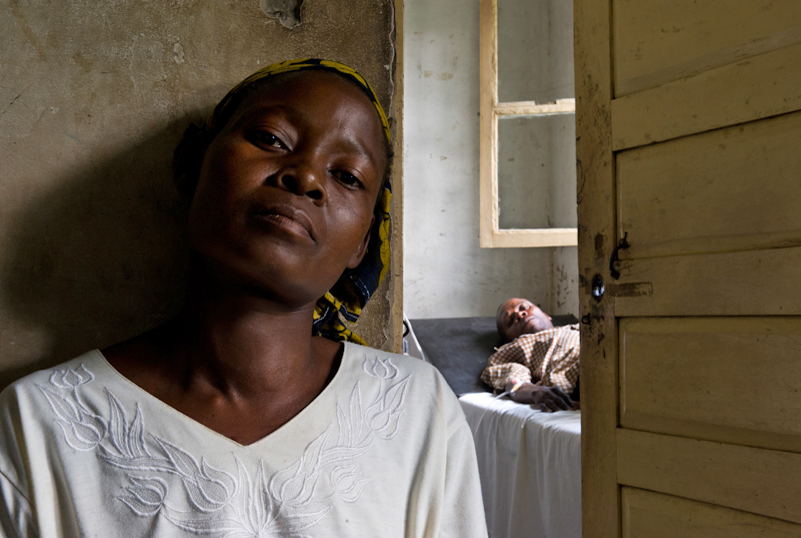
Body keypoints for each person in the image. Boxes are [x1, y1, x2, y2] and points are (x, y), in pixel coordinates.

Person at [0, 59, 487, 538]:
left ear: (362, 244)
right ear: (193, 167)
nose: (307, 178)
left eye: (348, 177)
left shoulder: (416, 412)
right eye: (271, 139)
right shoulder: (39, 426)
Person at [481, 297, 580, 412]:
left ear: (546, 315)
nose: (519, 314)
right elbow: (516, 384)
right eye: (510, 321)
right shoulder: (513, 349)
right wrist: (537, 392)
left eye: (524, 308)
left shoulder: (582, 326)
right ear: (508, 338)